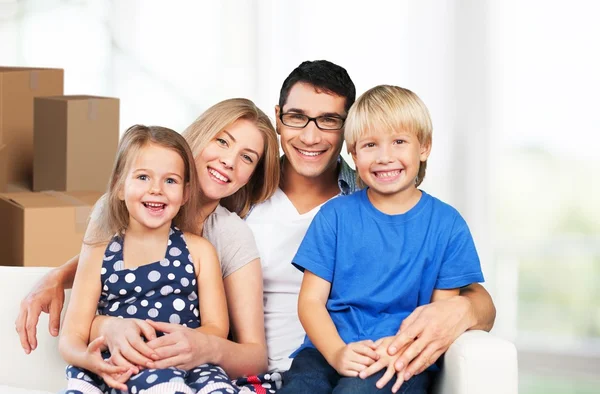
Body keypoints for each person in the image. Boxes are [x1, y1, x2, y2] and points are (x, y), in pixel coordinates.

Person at [245, 60, 496, 383]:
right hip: (292, 366)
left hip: (387, 359)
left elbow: (467, 301)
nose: (310, 136)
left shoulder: (424, 214)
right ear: (278, 118)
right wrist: (335, 352)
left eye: (328, 120)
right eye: (297, 118)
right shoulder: (241, 194)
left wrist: (464, 312)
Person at [17, 98, 281, 389]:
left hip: (189, 367)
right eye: (222, 141)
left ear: (253, 175)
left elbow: (253, 353)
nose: (229, 161)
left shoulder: (227, 237)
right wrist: (62, 281)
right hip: (120, 362)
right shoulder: (117, 210)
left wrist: (201, 346)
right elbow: (94, 283)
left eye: (247, 157)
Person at [60, 125, 234, 393]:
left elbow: (217, 327)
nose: (156, 189)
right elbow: (72, 336)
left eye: (170, 180)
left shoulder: (199, 251)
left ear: (186, 194)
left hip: (184, 364)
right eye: (143, 177)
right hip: (119, 362)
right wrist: (90, 360)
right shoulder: (98, 252)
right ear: (119, 186)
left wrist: (170, 347)